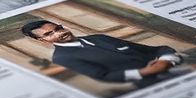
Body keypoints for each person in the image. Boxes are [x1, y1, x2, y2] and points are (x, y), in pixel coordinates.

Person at [21, 20, 184, 88]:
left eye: (58, 28)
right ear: (42, 41)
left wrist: (167, 61)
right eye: (49, 35)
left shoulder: (99, 38)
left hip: (176, 70)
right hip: (151, 84)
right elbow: (103, 75)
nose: (59, 34)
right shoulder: (62, 57)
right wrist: (144, 72)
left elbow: (154, 50)